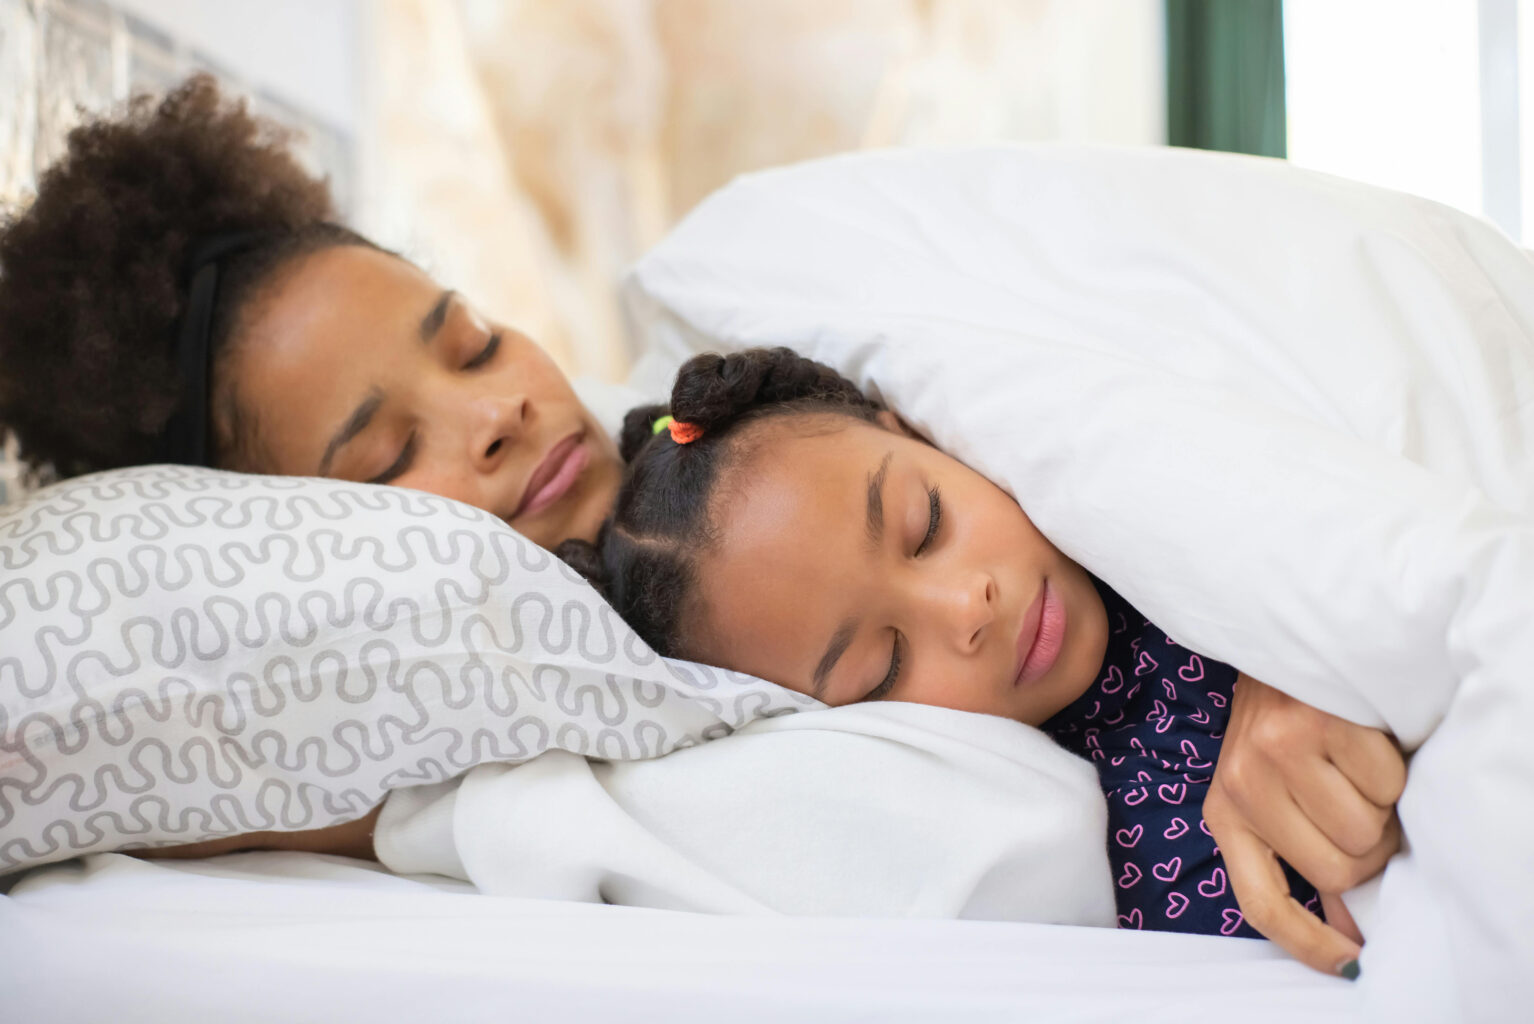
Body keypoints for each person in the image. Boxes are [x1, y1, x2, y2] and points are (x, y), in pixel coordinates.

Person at [0, 76, 1399, 978]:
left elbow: (1127, 407)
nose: (491, 416)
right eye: (383, 456)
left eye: (474, 343)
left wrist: (1267, 616)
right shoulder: (509, 686)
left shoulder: (759, 390)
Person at [556, 347, 1407, 978]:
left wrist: (1282, 638)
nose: (967, 609)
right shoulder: (1114, 862)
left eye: (927, 524)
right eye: (882, 666)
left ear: (916, 433)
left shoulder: (1157, 484)